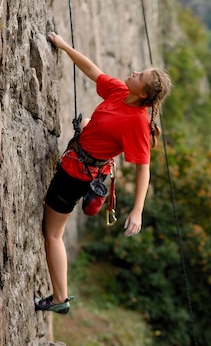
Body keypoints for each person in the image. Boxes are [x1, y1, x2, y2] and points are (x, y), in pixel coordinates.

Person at [35, 32, 172, 314]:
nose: (133, 72)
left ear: (143, 93)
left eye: (139, 75)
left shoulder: (136, 123)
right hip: (80, 162)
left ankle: (60, 298)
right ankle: (60, 296)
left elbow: (143, 167)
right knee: (86, 121)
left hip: (75, 175)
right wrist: (64, 47)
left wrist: (137, 210)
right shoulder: (121, 92)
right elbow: (92, 70)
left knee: (52, 235)